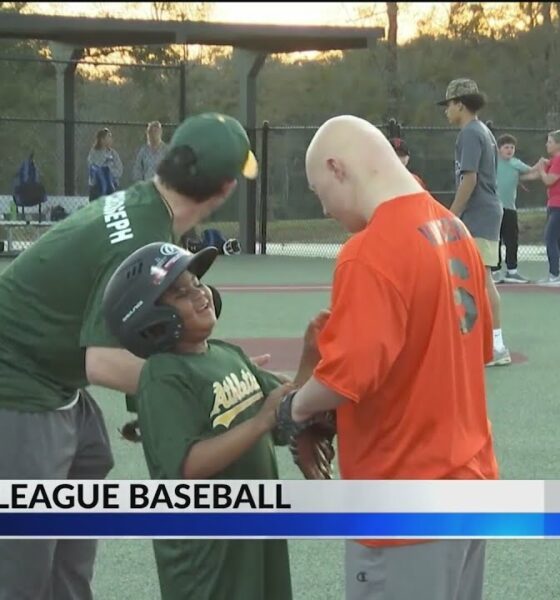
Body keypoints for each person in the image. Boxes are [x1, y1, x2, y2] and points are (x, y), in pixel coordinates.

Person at [0, 112, 264, 600]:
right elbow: (102, 361)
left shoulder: (146, 204)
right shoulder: (145, 231)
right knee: (21, 564)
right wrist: (203, 387)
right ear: (226, 188)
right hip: (18, 382)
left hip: (54, 380)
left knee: (86, 479)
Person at [274, 115, 498, 600]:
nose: (326, 208)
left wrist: (292, 408)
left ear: (338, 168)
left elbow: (342, 380)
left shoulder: (370, 250)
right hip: (470, 487)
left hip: (403, 502)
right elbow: (469, 351)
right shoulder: (453, 228)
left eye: (319, 191)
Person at [101, 241, 330, 599]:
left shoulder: (227, 354)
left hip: (254, 535)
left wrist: (311, 356)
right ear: (150, 321)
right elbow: (187, 466)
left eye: (196, 282)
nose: (199, 292)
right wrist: (260, 421)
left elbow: (287, 407)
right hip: (208, 557)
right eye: (179, 292)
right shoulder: (163, 376)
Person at [439, 78, 510, 366]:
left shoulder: (470, 133)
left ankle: (495, 346)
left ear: (460, 104)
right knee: (478, 279)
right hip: (485, 211)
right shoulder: (482, 131)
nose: (446, 111)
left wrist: (451, 214)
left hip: (479, 213)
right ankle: (487, 343)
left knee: (481, 280)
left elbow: (470, 178)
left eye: (449, 105)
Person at [492, 134, 540, 284]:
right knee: (495, 239)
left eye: (512, 147)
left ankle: (512, 271)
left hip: (510, 209)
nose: (509, 150)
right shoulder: (493, 163)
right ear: (499, 149)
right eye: (506, 147)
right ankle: (495, 271)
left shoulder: (516, 163)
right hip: (494, 208)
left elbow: (532, 171)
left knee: (512, 239)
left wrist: (541, 164)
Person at [536, 130, 560, 286]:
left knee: (550, 238)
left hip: (558, 206)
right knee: (556, 239)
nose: (547, 144)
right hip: (553, 205)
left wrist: (540, 170)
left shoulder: (558, 159)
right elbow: (537, 174)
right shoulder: (553, 160)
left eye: (550, 142)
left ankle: (554, 275)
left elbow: (549, 180)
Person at [87, 127, 124, 201]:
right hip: (97, 187)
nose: (111, 139)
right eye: (108, 137)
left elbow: (120, 170)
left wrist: (110, 172)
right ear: (102, 139)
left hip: (111, 185)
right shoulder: (94, 153)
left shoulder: (113, 153)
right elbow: (92, 167)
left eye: (111, 137)